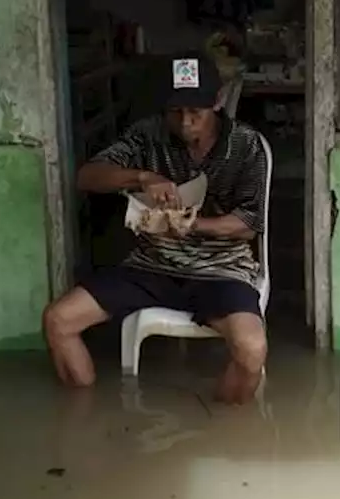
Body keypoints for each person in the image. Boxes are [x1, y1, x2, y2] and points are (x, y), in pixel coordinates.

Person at [43, 54, 269, 404]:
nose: (186, 121)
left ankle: (225, 436)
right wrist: (141, 176)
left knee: (252, 349)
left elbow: (248, 225)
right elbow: (87, 176)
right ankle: (86, 422)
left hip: (221, 270)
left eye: (196, 110)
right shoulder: (148, 135)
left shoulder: (246, 145)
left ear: (218, 101)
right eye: (175, 111)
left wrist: (191, 225)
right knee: (58, 321)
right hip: (150, 266)